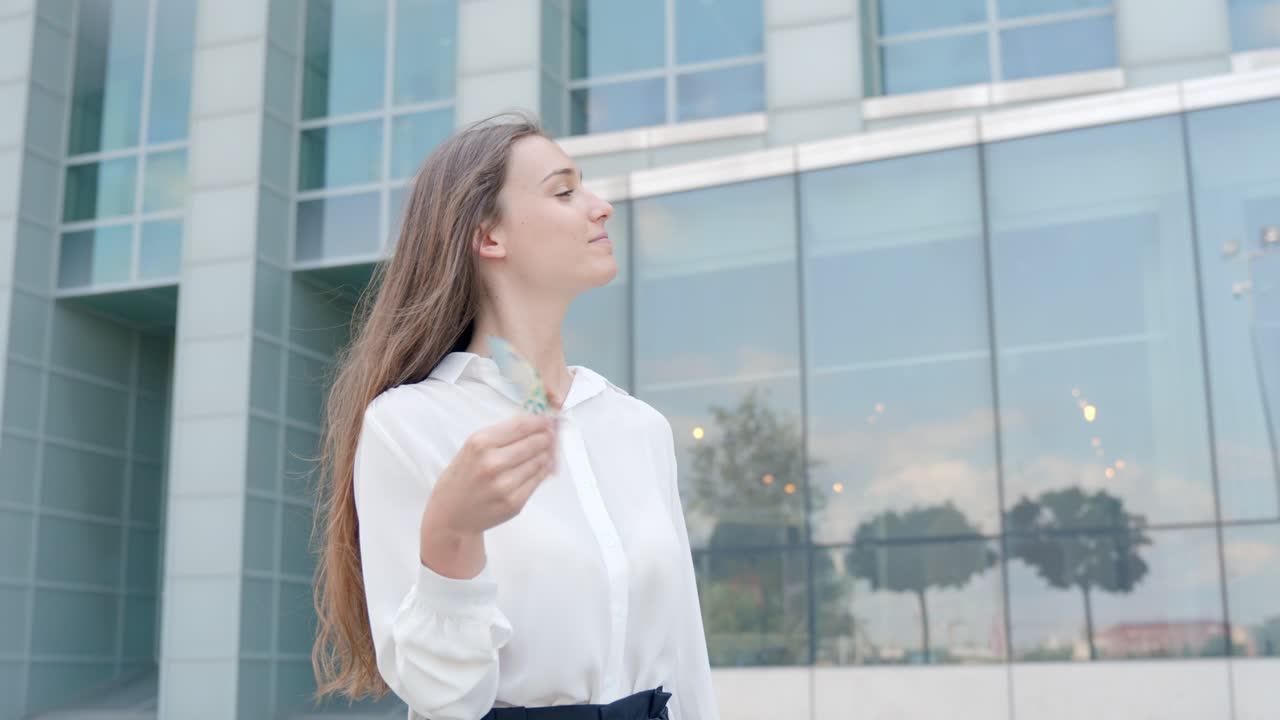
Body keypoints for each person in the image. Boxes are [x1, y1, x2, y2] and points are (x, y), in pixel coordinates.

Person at [310, 114, 720, 720]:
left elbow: (684, 653)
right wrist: (452, 534)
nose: (601, 206)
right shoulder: (409, 425)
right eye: (564, 191)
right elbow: (441, 698)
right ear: (489, 236)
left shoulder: (639, 428)